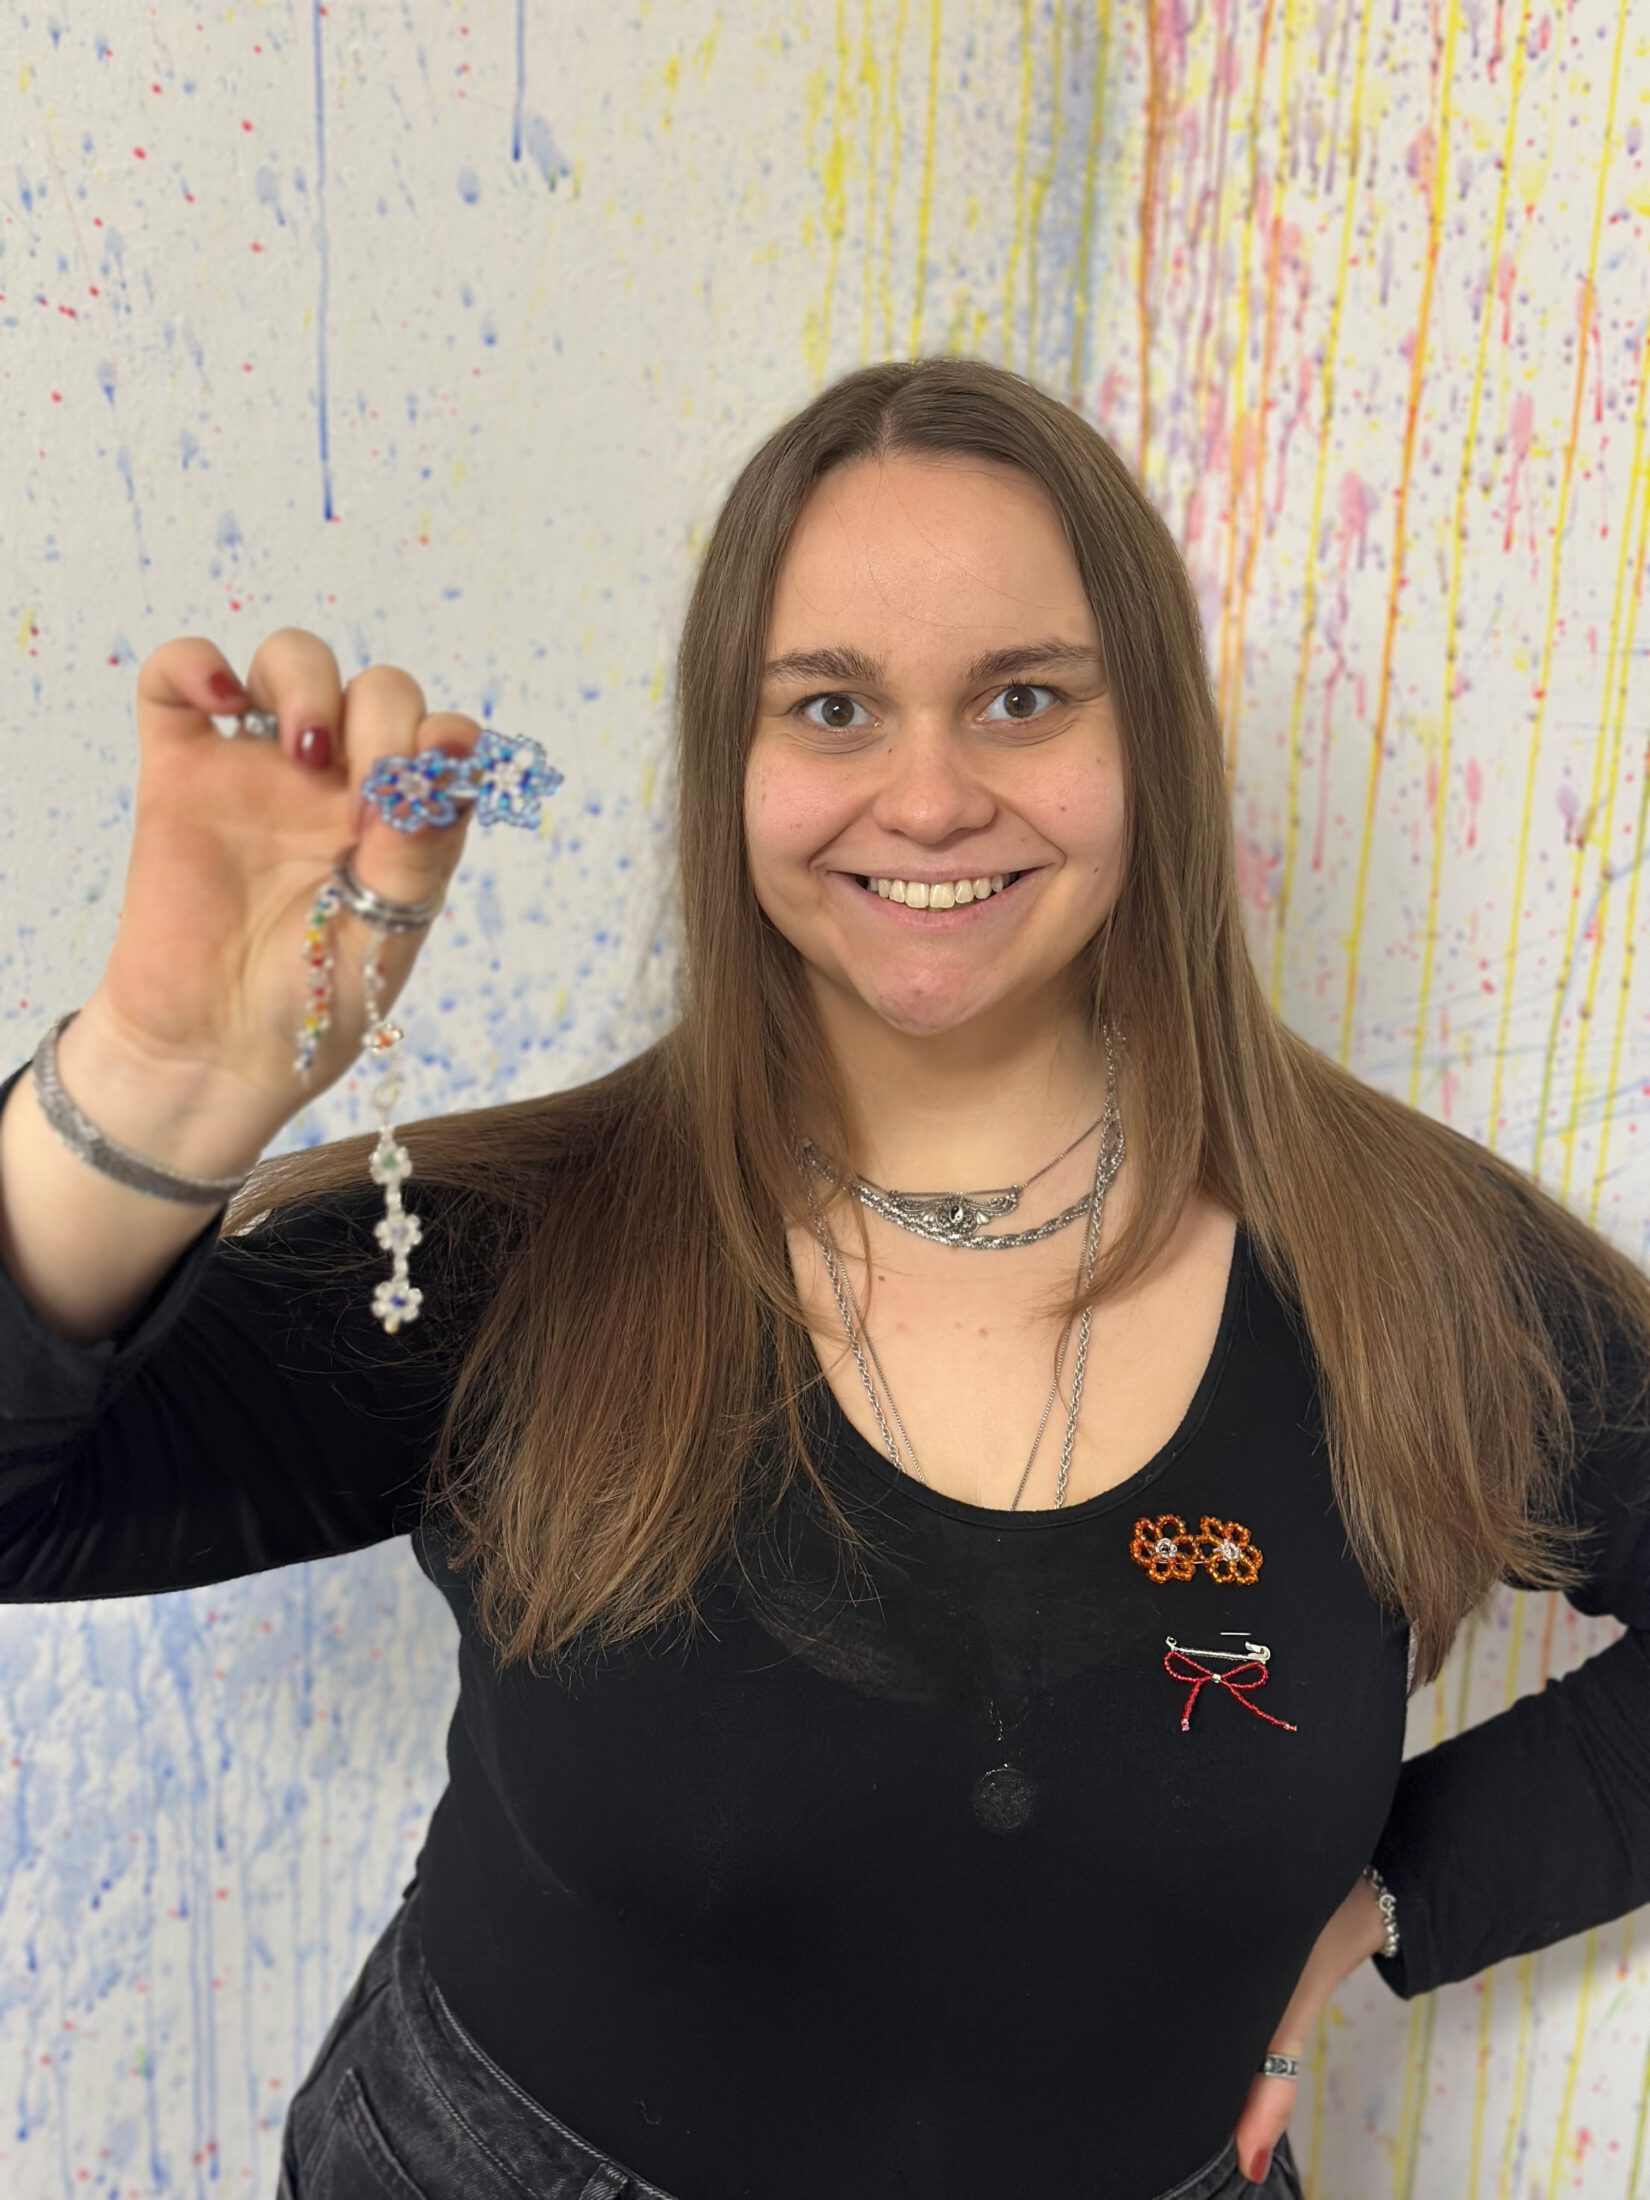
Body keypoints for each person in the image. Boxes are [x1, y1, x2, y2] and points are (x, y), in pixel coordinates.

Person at [0, 355, 1645, 2200]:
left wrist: (1399, 1896)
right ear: (736, 762)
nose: (927, 799)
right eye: (834, 708)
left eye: (1022, 698)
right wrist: (161, 1076)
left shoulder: (1416, 1272)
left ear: (1152, 747)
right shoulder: (508, 1254)